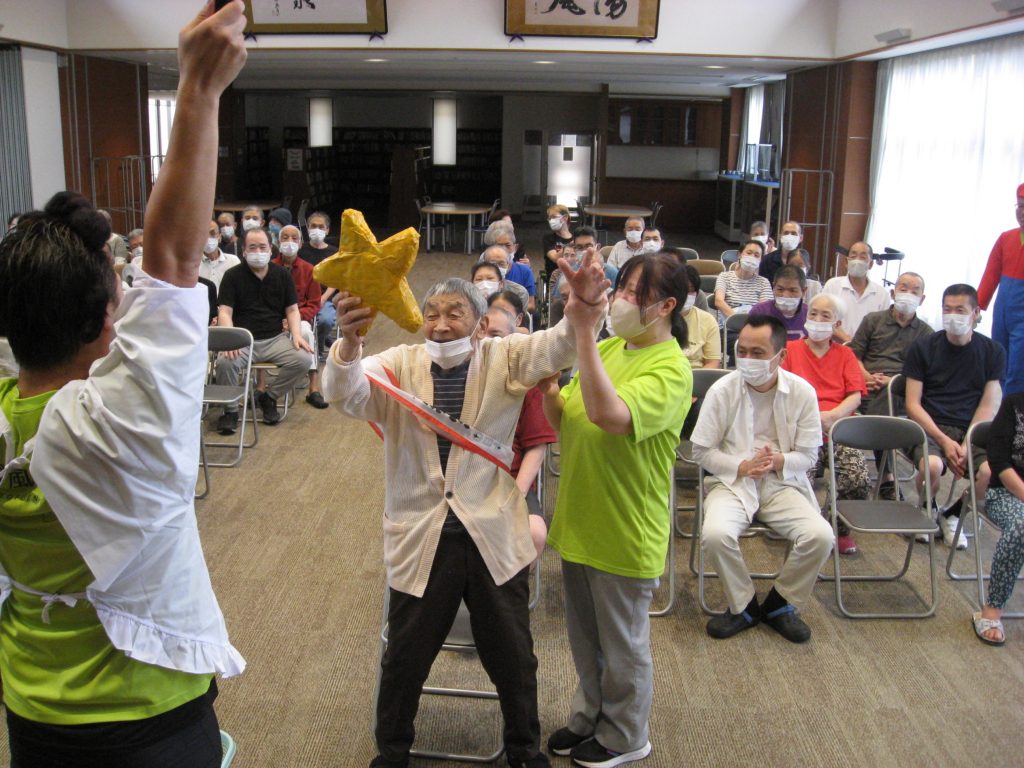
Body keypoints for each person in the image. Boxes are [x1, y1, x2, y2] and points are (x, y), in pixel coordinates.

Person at [0, 3, 247, 765]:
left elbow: (167, 261)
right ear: (103, 320)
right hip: (149, 715)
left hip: (31, 708)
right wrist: (198, 91)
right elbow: (172, 259)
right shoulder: (124, 418)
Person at [324, 250, 609, 768]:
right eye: (432, 314)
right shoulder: (398, 363)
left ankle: (523, 750)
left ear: (480, 324)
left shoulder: (505, 357)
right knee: (405, 658)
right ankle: (392, 753)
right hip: (421, 532)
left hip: (492, 532)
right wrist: (348, 343)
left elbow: (560, 344)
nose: (440, 324)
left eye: (455, 313)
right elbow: (344, 395)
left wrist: (585, 308)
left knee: (514, 656)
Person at [541, 252, 692, 768]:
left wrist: (583, 331)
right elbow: (568, 419)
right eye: (621, 288)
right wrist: (549, 390)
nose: (622, 301)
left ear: (666, 306)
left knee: (623, 646)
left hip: (626, 530)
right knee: (586, 640)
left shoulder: (671, 369)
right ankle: (590, 716)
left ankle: (626, 735)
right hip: (582, 518)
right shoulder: (608, 348)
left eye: (635, 294)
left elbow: (609, 415)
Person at [693, 316, 833, 644]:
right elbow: (701, 451)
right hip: (732, 482)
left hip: (782, 483)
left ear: (781, 356)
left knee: (820, 536)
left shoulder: (802, 392)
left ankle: (780, 604)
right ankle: (743, 606)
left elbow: (809, 455)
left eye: (758, 353)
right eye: (742, 351)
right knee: (715, 534)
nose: (747, 359)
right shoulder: (722, 390)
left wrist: (777, 461)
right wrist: (742, 466)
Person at [904, 284, 1004, 550]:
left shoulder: (993, 351)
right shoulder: (924, 346)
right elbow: (913, 404)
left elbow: (988, 406)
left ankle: (954, 513)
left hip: (973, 430)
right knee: (932, 466)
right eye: (947, 309)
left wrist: (966, 444)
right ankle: (928, 506)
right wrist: (944, 441)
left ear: (976, 313)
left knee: (991, 472)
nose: (952, 316)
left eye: (960, 310)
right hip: (929, 425)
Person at [781, 293, 868, 555]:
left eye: (825, 316)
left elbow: (855, 395)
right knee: (799, 481)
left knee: (857, 476)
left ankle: (837, 528)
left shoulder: (846, 355)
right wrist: (811, 419)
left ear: (836, 324)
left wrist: (833, 416)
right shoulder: (790, 350)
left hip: (837, 428)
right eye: (813, 313)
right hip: (800, 430)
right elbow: (781, 391)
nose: (817, 319)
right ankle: (806, 530)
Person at [214, 226, 313, 430]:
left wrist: (296, 335)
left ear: (270, 249)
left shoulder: (282, 275)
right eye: (252, 247)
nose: (258, 252)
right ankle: (230, 411)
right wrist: (230, 339)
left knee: (303, 359)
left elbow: (292, 310)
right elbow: (225, 312)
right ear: (244, 251)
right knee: (224, 362)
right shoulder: (232, 276)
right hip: (243, 340)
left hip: (275, 339)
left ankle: (269, 397)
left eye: (262, 247)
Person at [478, 306, 555, 559]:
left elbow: (535, 448)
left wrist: (515, 496)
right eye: (481, 333)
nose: (487, 341)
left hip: (510, 482)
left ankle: (512, 583)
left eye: (496, 335)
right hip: (465, 482)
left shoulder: (526, 383)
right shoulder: (459, 377)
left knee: (534, 533)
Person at [848, 271, 933, 499]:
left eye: (915, 291)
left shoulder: (926, 333)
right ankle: (889, 470)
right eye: (903, 288)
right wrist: (866, 376)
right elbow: (853, 355)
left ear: (922, 299)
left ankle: (887, 474)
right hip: (867, 385)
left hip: (904, 392)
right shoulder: (873, 320)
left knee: (889, 396)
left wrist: (894, 382)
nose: (908, 293)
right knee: (884, 399)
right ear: (894, 293)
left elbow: (928, 374)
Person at [973, 390, 1024, 645]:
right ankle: (992, 610)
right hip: (1006, 493)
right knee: (1022, 526)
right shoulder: (1014, 404)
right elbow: (1000, 463)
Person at [272, 224, 328, 409]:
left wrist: (294, 319)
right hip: (273, 320)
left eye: (294, 238)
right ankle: (260, 387)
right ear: (278, 242)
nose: (289, 242)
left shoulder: (309, 269)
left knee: (306, 333)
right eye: (285, 238)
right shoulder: (269, 267)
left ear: (301, 243)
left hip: (300, 319)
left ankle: (313, 388)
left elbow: (314, 303)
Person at [978, 182, 1024, 395]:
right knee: (998, 364)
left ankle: (1013, 413)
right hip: (1002, 314)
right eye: (1020, 206)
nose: (1022, 212)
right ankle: (995, 409)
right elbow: (991, 275)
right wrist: (976, 306)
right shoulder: (1007, 238)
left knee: (1018, 370)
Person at [714, 239, 773, 361]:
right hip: (727, 329)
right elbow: (719, 301)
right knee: (744, 344)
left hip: (755, 329)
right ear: (740, 255)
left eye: (756, 255)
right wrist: (737, 321)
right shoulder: (725, 277)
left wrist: (748, 327)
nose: (752, 257)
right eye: (749, 253)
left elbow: (764, 309)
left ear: (761, 260)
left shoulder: (763, 282)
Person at [822, 241, 891, 342]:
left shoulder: (882, 294)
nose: (857, 261)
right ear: (846, 262)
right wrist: (848, 341)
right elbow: (824, 318)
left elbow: (883, 329)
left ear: (871, 264)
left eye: (862, 257)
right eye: (853, 256)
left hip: (868, 349)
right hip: (835, 346)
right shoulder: (832, 285)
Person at [483, 222, 536, 310]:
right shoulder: (483, 271)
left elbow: (531, 305)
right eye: (499, 245)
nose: (504, 249)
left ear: (515, 247)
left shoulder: (525, 271)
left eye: (507, 245)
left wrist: (507, 309)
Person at [749, 264, 809, 341]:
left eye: (792, 290)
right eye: (780, 289)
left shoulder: (810, 314)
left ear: (803, 291)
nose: (785, 295)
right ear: (773, 287)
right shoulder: (759, 312)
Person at [479, 246, 531, 311]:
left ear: (508, 266)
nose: (497, 267)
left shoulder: (519, 292)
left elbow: (519, 316)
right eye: (492, 264)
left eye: (501, 263)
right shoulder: (475, 290)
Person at [199, 218, 241, 291]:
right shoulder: (194, 264)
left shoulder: (233, 261)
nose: (208, 238)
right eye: (204, 234)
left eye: (212, 233)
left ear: (219, 236)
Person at [543, 203, 574, 275]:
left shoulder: (576, 238)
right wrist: (571, 244)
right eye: (549, 218)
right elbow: (555, 258)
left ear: (565, 218)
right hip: (555, 276)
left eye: (554, 217)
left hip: (572, 275)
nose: (551, 221)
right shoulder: (548, 238)